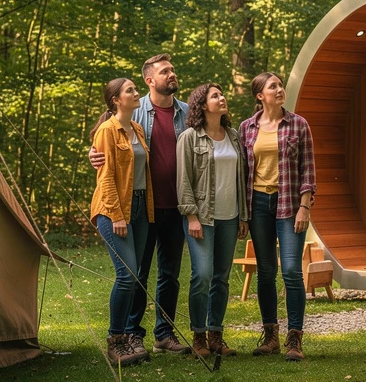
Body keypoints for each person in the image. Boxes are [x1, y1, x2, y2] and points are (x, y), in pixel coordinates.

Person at [90, 55, 190, 355]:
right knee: (136, 274)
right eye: (165, 71)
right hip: (137, 208)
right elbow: (107, 151)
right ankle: (130, 335)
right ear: (150, 80)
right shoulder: (137, 114)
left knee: (169, 273)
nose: (172, 74)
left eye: (172, 69)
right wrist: (92, 153)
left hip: (173, 205)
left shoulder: (186, 113)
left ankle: (164, 333)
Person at [239, 71, 316, 362]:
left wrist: (305, 206)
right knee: (266, 271)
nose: (280, 90)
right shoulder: (246, 128)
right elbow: (242, 173)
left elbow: (308, 169)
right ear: (260, 95)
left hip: (289, 204)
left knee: (292, 271)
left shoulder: (298, 125)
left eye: (281, 85)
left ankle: (294, 338)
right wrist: (243, 215)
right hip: (258, 204)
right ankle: (270, 335)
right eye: (273, 87)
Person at [176, 83, 248, 358]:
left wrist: (243, 216)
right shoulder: (190, 138)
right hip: (202, 218)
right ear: (203, 105)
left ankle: (216, 334)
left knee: (221, 278)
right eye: (215, 95)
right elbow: (183, 181)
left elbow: (240, 179)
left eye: (222, 94)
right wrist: (191, 216)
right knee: (202, 276)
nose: (222, 98)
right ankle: (199, 336)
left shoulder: (234, 135)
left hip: (230, 217)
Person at [89, 78, 154, 367]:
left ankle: (128, 338)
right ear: (116, 100)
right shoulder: (107, 130)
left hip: (140, 206)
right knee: (126, 275)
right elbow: (106, 178)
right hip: (113, 209)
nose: (136, 92)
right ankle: (115, 340)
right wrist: (116, 215)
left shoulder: (137, 128)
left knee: (137, 275)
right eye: (130, 90)